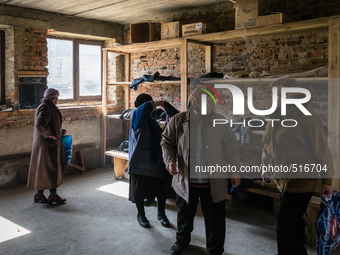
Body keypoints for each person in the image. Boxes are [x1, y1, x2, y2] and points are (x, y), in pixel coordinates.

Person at [161, 87, 241, 255]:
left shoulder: (219, 122)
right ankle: (182, 241)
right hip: (186, 181)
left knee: (215, 219)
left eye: (212, 103)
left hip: (213, 181)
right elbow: (167, 141)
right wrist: (170, 161)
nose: (210, 107)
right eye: (206, 103)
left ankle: (215, 248)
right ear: (195, 102)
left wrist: (235, 170)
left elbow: (231, 147)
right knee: (184, 215)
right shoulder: (179, 120)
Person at [261, 78, 334, 255]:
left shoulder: (308, 119)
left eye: (280, 95)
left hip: (301, 181)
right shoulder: (275, 116)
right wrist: (265, 166)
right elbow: (267, 143)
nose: (276, 99)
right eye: (275, 95)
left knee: (284, 224)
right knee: (293, 224)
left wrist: (327, 180)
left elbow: (323, 152)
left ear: (293, 94)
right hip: (283, 180)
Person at [128, 93, 170, 228]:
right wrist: (160, 102)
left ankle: (161, 214)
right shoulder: (137, 116)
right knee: (139, 190)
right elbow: (146, 107)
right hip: (141, 162)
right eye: (150, 103)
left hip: (155, 160)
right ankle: (141, 215)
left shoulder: (150, 119)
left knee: (160, 189)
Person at [27, 88, 67, 205]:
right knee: (52, 168)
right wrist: (50, 135)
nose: (57, 99)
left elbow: (48, 123)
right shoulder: (45, 107)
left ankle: (39, 195)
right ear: (50, 97)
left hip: (47, 144)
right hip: (47, 145)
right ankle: (53, 195)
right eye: (55, 97)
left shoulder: (47, 106)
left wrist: (59, 132)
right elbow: (40, 124)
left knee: (44, 169)